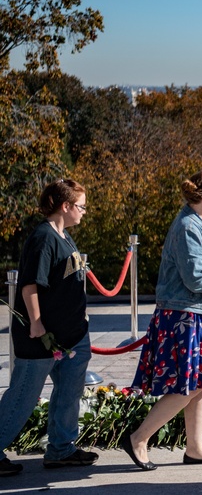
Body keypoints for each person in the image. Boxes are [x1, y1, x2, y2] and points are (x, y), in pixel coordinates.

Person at [123, 170, 202, 471]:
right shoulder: (187, 227)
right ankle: (138, 439)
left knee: (201, 385)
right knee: (187, 386)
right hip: (185, 317)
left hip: (199, 314)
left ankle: (195, 448)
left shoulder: (199, 223)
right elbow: (194, 279)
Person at [0, 179, 98, 477]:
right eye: (81, 206)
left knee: (70, 391)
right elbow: (30, 285)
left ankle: (61, 448)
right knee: (23, 395)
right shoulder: (44, 238)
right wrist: (37, 323)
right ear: (65, 206)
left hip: (72, 336)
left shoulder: (64, 235)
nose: (84, 211)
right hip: (42, 337)